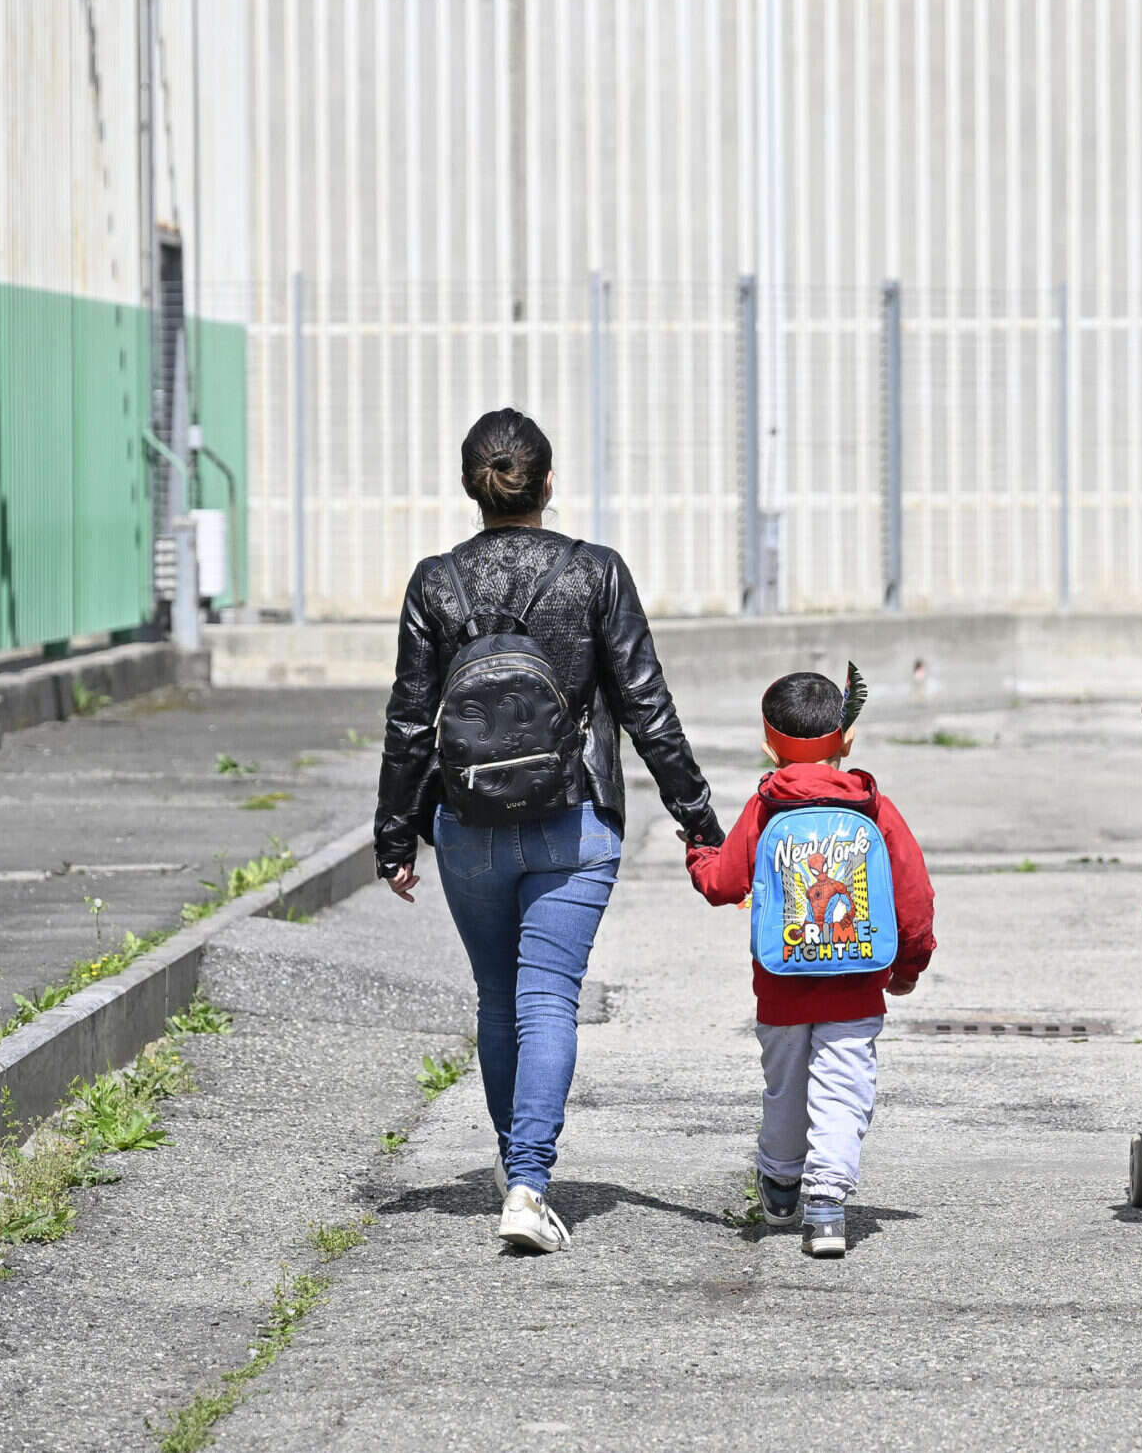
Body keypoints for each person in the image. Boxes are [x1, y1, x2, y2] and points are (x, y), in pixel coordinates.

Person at [375, 407, 724, 1255]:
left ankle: (513, 1166)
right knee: (547, 998)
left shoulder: (434, 582)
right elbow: (647, 705)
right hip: (574, 822)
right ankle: (529, 1183)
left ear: (472, 486)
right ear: (549, 483)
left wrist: (393, 837)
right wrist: (698, 822)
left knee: (502, 999)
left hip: (468, 824)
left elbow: (411, 723)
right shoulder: (595, 572)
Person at [684, 669, 937, 1259]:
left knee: (785, 1089)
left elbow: (723, 884)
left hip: (780, 985)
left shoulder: (765, 807)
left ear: (769, 745)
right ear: (846, 740)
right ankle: (826, 1208)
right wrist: (908, 966)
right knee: (844, 1090)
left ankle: (778, 1187)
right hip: (855, 985)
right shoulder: (874, 807)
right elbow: (913, 897)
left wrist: (699, 853)